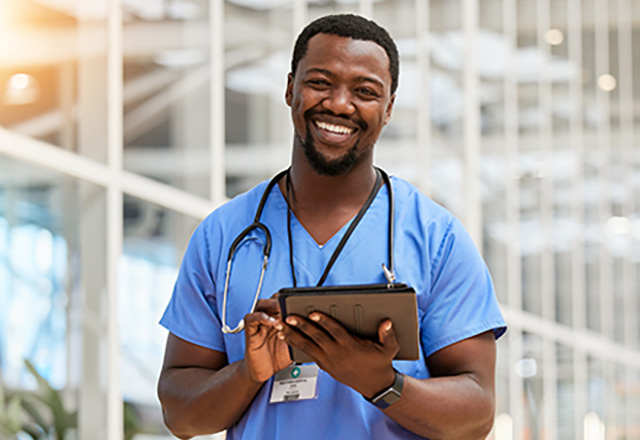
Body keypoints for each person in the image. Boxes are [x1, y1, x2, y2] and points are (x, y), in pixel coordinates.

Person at [157, 13, 506, 440]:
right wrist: (249, 373)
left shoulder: (437, 239)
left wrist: (380, 382)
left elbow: (477, 417)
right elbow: (181, 416)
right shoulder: (222, 235)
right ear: (290, 89)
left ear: (389, 108)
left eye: (365, 91)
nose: (340, 104)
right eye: (320, 82)